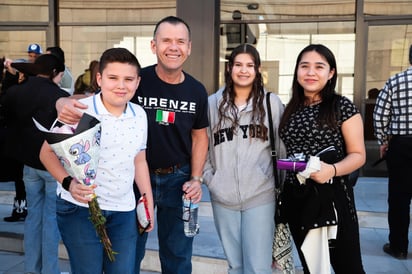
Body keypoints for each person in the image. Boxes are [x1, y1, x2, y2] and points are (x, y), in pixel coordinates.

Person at [55, 16, 209, 274]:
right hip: (136, 179)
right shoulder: (138, 79)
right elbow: (100, 97)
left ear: (189, 47)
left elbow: (200, 136)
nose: (174, 47)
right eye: (166, 40)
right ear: (153, 45)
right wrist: (61, 102)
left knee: (179, 255)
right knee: (130, 256)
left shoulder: (197, 90)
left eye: (180, 41)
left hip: (178, 179)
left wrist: (196, 178)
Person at [40, 47, 154, 274]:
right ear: (99, 79)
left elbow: (139, 161)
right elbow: (46, 153)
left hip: (124, 209)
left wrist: (148, 202)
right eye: (113, 78)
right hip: (80, 209)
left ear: (138, 82)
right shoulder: (79, 109)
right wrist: (68, 184)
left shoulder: (139, 114)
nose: (121, 86)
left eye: (128, 79)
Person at [278, 44, 366, 274]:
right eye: (304, 66)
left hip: (333, 198)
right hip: (299, 198)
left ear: (331, 73)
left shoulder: (341, 106)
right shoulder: (290, 109)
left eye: (319, 66)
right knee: (312, 266)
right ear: (296, 71)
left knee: (349, 267)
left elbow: (358, 155)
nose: (310, 72)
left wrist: (332, 170)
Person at [203, 43, 285, 273]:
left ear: (258, 70)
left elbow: (281, 149)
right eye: (238, 64)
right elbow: (203, 145)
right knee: (235, 265)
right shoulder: (211, 104)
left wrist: (272, 181)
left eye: (250, 65)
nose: (243, 70)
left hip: (260, 195)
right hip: (223, 196)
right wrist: (212, 179)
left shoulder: (271, 103)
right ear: (229, 68)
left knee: (258, 267)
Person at [0, 53, 69, 274]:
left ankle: (32, 269)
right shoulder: (57, 95)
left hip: (27, 165)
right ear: (55, 73)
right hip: (51, 166)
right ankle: (49, 271)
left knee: (33, 218)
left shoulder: (15, 92)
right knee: (51, 221)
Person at [373, 44, 412, 260]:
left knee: (399, 197)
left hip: (402, 144)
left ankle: (398, 247)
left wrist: (383, 140)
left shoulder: (395, 81)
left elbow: (380, 115)